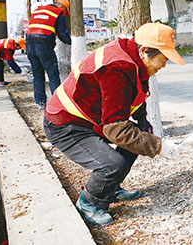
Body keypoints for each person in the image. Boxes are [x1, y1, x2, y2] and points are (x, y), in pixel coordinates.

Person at [43, 22, 185, 226]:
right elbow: (115, 129)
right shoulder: (117, 68)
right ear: (144, 51)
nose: (163, 66)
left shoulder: (132, 58)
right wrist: (159, 147)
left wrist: (142, 120)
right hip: (65, 125)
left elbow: (133, 92)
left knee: (137, 137)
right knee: (113, 165)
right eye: (163, 60)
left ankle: (109, 188)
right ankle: (89, 202)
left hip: (88, 119)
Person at [26, 0, 72, 110]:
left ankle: (40, 102)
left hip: (29, 44)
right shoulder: (58, 12)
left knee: (38, 75)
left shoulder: (38, 10)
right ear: (62, 7)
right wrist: (72, 42)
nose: (65, 14)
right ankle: (57, 104)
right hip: (43, 45)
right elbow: (62, 33)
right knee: (53, 75)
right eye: (66, 11)